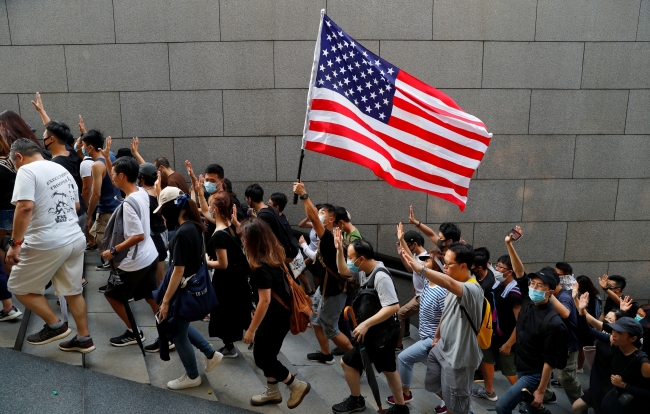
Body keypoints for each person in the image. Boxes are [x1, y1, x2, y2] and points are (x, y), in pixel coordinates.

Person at [5, 139, 94, 353]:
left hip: (48, 241)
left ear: (18, 156)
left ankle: (55, 325)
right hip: (74, 237)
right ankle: (84, 339)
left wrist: (15, 244)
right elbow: (76, 204)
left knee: (18, 287)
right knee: (73, 291)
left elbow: (25, 208)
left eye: (15, 164)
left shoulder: (27, 171)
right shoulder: (61, 169)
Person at [401, 242, 484, 414]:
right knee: (434, 384)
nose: (444, 267)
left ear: (463, 266)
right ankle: (452, 404)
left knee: (457, 403)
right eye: (443, 262)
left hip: (459, 356)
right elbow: (445, 313)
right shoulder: (454, 282)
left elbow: (449, 284)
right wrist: (437, 336)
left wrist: (422, 269)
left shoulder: (472, 288)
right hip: (442, 348)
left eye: (448, 264)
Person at [155, 186, 222, 390]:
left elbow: (178, 270)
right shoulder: (194, 225)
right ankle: (210, 354)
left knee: (177, 332)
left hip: (182, 289)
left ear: (174, 209)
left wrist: (165, 301)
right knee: (181, 325)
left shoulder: (183, 232)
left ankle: (192, 376)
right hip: (191, 286)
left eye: (164, 210)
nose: (163, 216)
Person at [330, 234, 406, 414]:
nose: (349, 261)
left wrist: (365, 325)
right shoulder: (364, 269)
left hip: (381, 333)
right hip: (379, 331)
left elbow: (394, 306)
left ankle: (357, 401)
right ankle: (401, 408)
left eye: (351, 258)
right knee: (389, 368)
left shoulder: (380, 276)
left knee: (348, 363)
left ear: (361, 259)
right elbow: (343, 270)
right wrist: (339, 250)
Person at [494, 229, 568, 414]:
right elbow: (520, 272)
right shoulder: (528, 300)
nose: (533, 287)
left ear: (550, 292)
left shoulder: (553, 323)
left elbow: (549, 361)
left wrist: (541, 391)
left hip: (534, 374)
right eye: (532, 283)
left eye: (540, 285)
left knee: (502, 407)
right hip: (521, 365)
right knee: (530, 408)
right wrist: (509, 244)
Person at [240, 218, 311, 409]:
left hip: (273, 318)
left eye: (244, 238)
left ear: (253, 240)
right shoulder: (273, 257)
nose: (242, 242)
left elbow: (265, 300)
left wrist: (251, 329)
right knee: (268, 355)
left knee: (262, 358)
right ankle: (272, 392)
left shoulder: (260, 266)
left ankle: (296, 385)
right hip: (280, 316)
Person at [99, 157, 161, 347]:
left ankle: (134, 332)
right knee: (151, 297)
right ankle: (169, 332)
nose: (111, 178)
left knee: (112, 295)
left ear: (122, 176)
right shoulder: (141, 191)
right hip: (150, 255)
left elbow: (138, 235)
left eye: (113, 174)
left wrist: (113, 250)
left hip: (135, 261)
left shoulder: (129, 204)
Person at [293, 181, 353, 364]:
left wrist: (304, 195)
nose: (318, 215)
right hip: (323, 289)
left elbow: (310, 213)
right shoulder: (327, 237)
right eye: (318, 212)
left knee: (331, 329)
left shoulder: (328, 237)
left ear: (330, 220)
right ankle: (326, 354)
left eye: (322, 213)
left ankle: (356, 359)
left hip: (334, 292)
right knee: (315, 320)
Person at [388, 249, 447, 406]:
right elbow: (414, 266)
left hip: (433, 340)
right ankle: (449, 403)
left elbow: (447, 316)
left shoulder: (443, 291)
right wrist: (403, 250)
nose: (423, 262)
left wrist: (437, 338)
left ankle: (406, 394)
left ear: (436, 267)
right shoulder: (428, 281)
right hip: (427, 337)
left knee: (404, 358)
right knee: (438, 375)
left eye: (428, 261)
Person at [205, 192, 252, 358]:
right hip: (236, 280)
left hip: (226, 281)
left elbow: (222, 263)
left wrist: (205, 261)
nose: (208, 208)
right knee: (238, 312)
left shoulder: (219, 235)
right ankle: (238, 342)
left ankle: (231, 346)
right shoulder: (229, 226)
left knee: (226, 313)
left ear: (215, 209)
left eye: (210, 205)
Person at [472, 255, 523, 402]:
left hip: (507, 339)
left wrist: (509, 344)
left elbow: (520, 322)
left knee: (509, 370)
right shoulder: (497, 286)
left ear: (510, 272)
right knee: (486, 360)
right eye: (497, 266)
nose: (498, 270)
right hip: (491, 334)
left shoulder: (514, 293)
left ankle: (525, 398)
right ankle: (489, 391)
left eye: (502, 268)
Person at [572, 293, 626, 414]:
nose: (606, 321)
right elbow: (586, 323)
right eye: (606, 318)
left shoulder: (615, 340)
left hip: (608, 383)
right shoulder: (607, 333)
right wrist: (580, 307)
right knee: (577, 407)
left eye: (610, 320)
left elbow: (587, 327)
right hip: (597, 379)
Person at [81, 130, 120, 272]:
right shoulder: (109, 156)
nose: (83, 149)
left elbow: (95, 193)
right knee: (111, 244)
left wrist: (88, 214)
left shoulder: (96, 165)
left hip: (106, 210)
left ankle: (114, 278)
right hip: (116, 206)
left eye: (84, 146)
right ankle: (112, 272)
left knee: (105, 244)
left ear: (90, 147)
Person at [544, 269, 583, 405]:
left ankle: (580, 404)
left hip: (568, 344)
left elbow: (565, 313)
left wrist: (550, 297)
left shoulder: (564, 297)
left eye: (541, 285)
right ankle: (546, 394)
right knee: (545, 367)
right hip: (553, 341)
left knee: (566, 377)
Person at [600, 317, 650, 414]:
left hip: (634, 407)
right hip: (615, 401)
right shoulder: (617, 346)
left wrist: (624, 385)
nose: (613, 334)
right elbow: (589, 330)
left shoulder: (643, 362)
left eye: (619, 333)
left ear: (633, 338)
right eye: (614, 330)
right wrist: (582, 312)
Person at [268, 192, 312, 294]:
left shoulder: (277, 220)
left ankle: (302, 302)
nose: (267, 206)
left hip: (288, 252)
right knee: (299, 272)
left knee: (293, 280)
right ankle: (309, 292)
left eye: (269, 204)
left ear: (277, 207)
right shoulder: (283, 217)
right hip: (294, 248)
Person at [395, 224, 428, 352]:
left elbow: (415, 266)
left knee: (401, 314)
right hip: (420, 295)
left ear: (414, 244)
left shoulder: (426, 256)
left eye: (407, 245)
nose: (406, 248)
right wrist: (401, 255)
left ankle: (398, 345)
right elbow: (410, 268)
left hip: (424, 297)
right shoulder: (417, 256)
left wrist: (402, 241)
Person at [0, 137, 21, 322]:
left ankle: (8, 305)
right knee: (2, 248)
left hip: (2, 212)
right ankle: (18, 280)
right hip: (14, 210)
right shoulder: (9, 159)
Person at [137, 163, 168, 286]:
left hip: (155, 236)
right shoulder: (158, 191)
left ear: (142, 178)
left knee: (160, 277)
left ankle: (163, 301)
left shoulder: (144, 196)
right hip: (160, 233)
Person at [574, 275, 602, 372]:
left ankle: (580, 367)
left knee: (583, 347)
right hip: (579, 324)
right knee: (579, 347)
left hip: (586, 325)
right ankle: (578, 366)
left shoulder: (594, 298)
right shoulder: (576, 295)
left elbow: (596, 313)